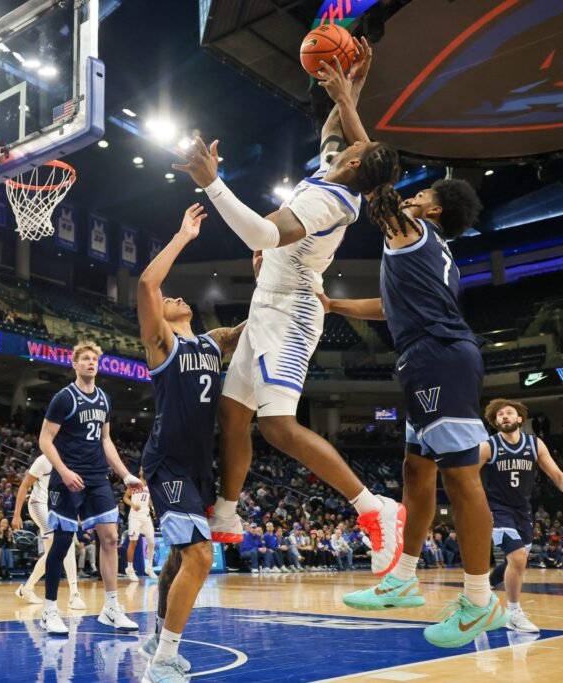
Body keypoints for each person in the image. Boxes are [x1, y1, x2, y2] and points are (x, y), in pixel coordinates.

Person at [172, 43, 404, 581]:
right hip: (268, 303)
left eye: (354, 146)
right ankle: (226, 512)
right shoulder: (336, 171)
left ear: (353, 163)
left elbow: (261, 233)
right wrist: (350, 85)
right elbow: (337, 128)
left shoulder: (330, 201)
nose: (346, 139)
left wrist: (211, 183)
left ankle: (374, 507)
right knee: (233, 412)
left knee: (277, 425)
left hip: (293, 314)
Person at [325, 89, 506, 646]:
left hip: (439, 357)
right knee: (415, 470)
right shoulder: (428, 253)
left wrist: (345, 101)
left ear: (433, 210)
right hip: (424, 357)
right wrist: (333, 305)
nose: (412, 195)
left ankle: (479, 600)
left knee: (460, 476)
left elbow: (374, 174)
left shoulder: (411, 230)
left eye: (422, 193)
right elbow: (389, 306)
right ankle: (403, 577)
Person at [135, 207, 247, 682]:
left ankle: (159, 632)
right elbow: (147, 284)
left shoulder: (211, 342)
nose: (175, 296)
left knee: (181, 557)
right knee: (200, 556)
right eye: (169, 299)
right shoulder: (162, 342)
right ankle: (163, 658)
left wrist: (278, 281)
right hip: (167, 462)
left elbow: (247, 330)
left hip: (200, 466)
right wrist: (183, 235)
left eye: (179, 296)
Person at [38, 342, 143, 636]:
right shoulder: (64, 398)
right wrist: (63, 471)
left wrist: (125, 475)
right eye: (85, 359)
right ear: (74, 364)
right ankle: (49, 610)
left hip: (97, 477)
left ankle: (111, 607)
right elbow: (45, 439)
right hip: (68, 477)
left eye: (94, 359)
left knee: (110, 538)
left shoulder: (104, 399)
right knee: (62, 543)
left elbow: (105, 440)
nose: (90, 362)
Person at [480, 399, 563, 632]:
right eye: (499, 415)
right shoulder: (488, 446)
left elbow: (557, 475)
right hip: (498, 510)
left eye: (509, 412)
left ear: (520, 418)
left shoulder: (534, 444)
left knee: (516, 561)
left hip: (523, 511)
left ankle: (482, 590)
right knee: (518, 558)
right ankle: (513, 613)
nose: (504, 416)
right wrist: (478, 508)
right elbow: (468, 476)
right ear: (495, 422)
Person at [12, 453, 84, 609]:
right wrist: (17, 514)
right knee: (65, 541)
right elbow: (24, 486)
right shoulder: (43, 460)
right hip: (38, 505)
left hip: (56, 508)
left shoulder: (70, 458)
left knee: (52, 553)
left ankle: (27, 588)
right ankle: (74, 594)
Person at [123, 467, 157, 581]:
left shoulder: (150, 484)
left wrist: (153, 508)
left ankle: (149, 567)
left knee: (151, 541)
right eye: (142, 469)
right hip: (135, 516)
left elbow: (149, 499)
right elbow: (125, 497)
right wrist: (133, 505)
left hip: (146, 515)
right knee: (133, 542)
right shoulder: (135, 483)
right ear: (140, 472)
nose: (144, 470)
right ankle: (129, 568)